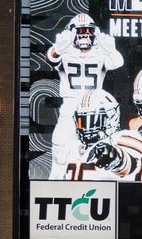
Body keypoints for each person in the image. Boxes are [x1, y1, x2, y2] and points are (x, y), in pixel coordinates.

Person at [45, 13, 124, 179]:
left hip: (94, 110)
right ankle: (53, 185)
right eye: (80, 31)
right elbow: (50, 59)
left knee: (95, 155)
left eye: (88, 31)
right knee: (59, 155)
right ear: (71, 33)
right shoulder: (64, 52)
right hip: (69, 109)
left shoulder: (101, 54)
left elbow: (117, 63)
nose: (85, 35)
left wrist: (112, 50)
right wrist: (58, 48)